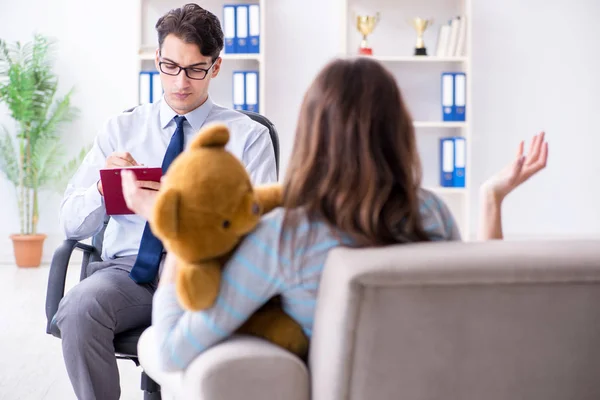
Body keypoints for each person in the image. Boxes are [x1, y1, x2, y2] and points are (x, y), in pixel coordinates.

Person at [122, 57, 549, 372]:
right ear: (398, 130)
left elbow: (175, 351)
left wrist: (173, 232)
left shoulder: (284, 237)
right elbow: (478, 308)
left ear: (311, 133)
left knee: (155, 342)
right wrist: (491, 198)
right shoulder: (431, 214)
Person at [53, 4, 277, 399]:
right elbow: (71, 223)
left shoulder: (247, 136)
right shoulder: (121, 129)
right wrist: (105, 190)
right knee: (78, 309)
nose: (181, 83)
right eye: (170, 67)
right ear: (157, 60)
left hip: (206, 275)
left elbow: (261, 232)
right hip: (128, 274)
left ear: (216, 67)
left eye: (195, 69)